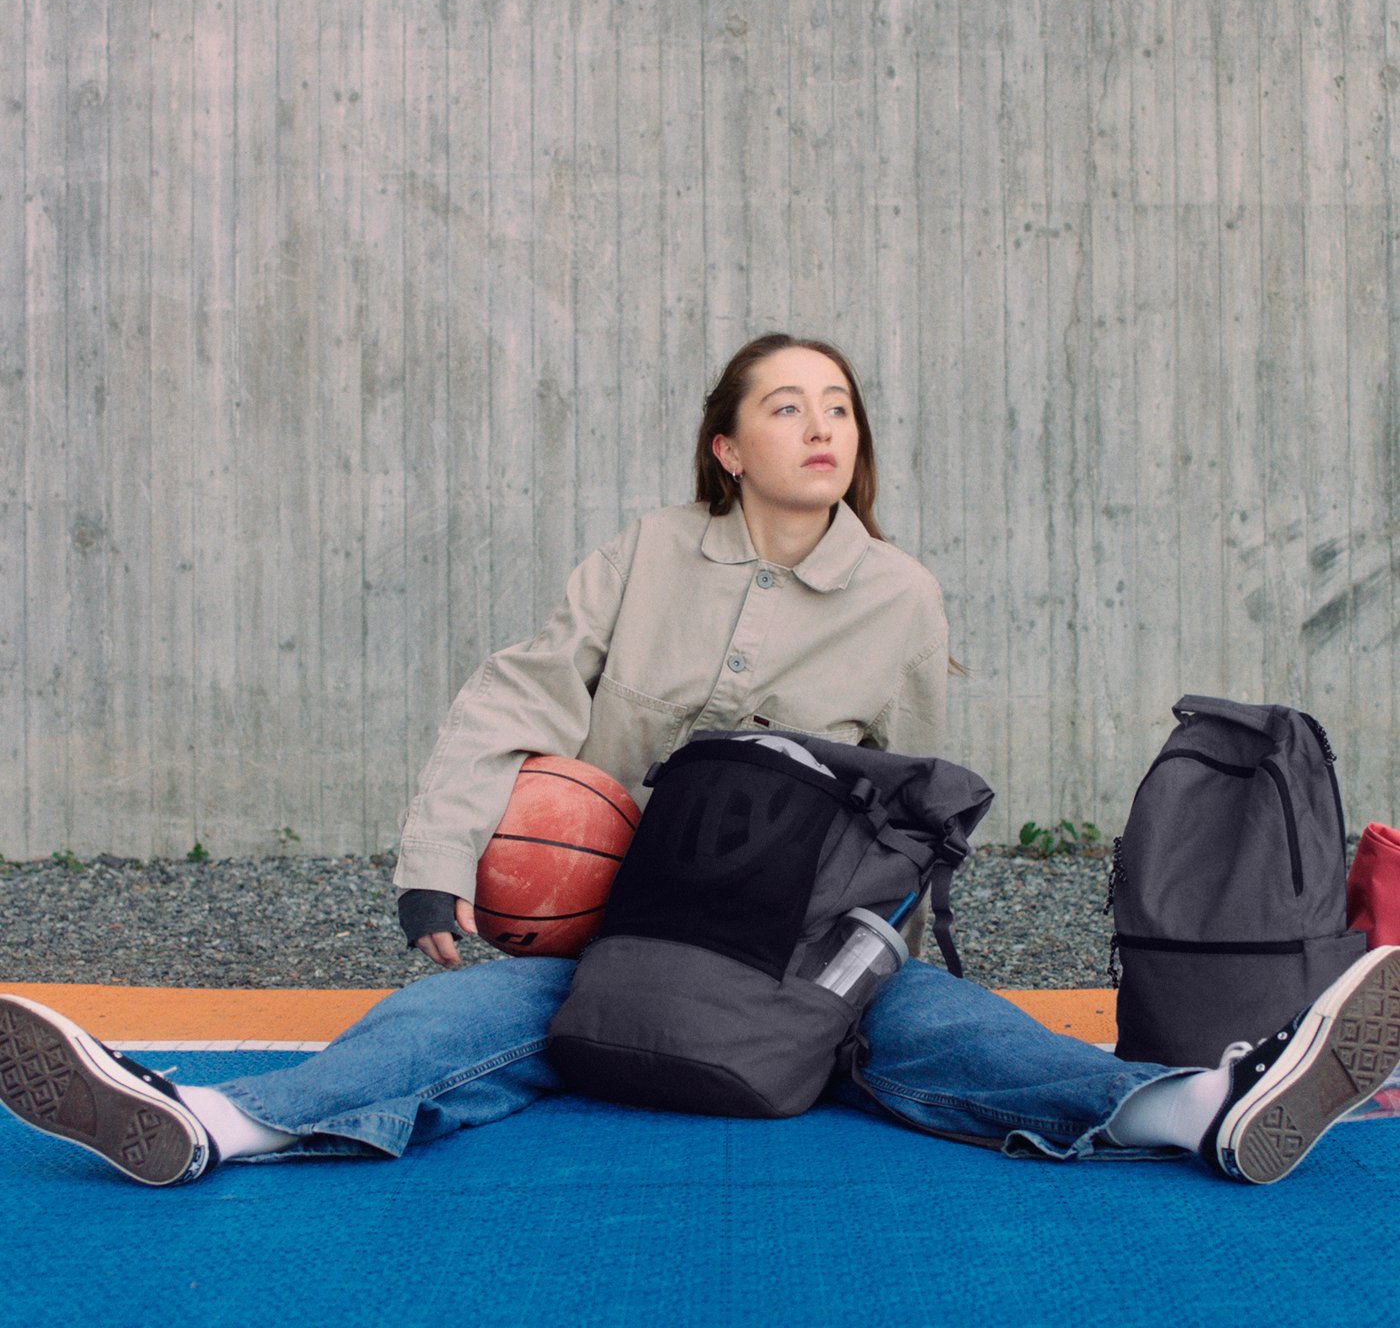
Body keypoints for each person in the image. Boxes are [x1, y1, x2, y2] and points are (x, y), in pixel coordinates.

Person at [3, 334, 1398, 1189]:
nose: (821, 425)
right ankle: (207, 1125)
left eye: (839, 406)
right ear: (726, 447)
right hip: (623, 935)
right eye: (786, 407)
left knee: (930, 1032)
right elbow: (513, 700)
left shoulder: (902, 594)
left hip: (805, 945)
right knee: (452, 1025)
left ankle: (1206, 1110)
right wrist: (436, 877)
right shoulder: (645, 557)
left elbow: (920, 797)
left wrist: (858, 939)